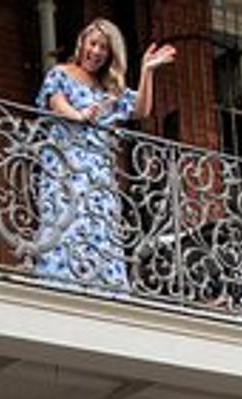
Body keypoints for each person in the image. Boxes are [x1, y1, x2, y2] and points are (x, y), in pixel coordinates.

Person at [35, 20, 176, 291]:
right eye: (94, 44)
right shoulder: (61, 73)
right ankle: (61, 283)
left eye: (104, 48)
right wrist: (79, 115)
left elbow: (141, 109)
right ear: (83, 43)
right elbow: (56, 101)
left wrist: (147, 71)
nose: (97, 51)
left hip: (97, 170)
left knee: (98, 225)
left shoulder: (106, 91)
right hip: (66, 164)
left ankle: (102, 286)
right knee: (66, 221)